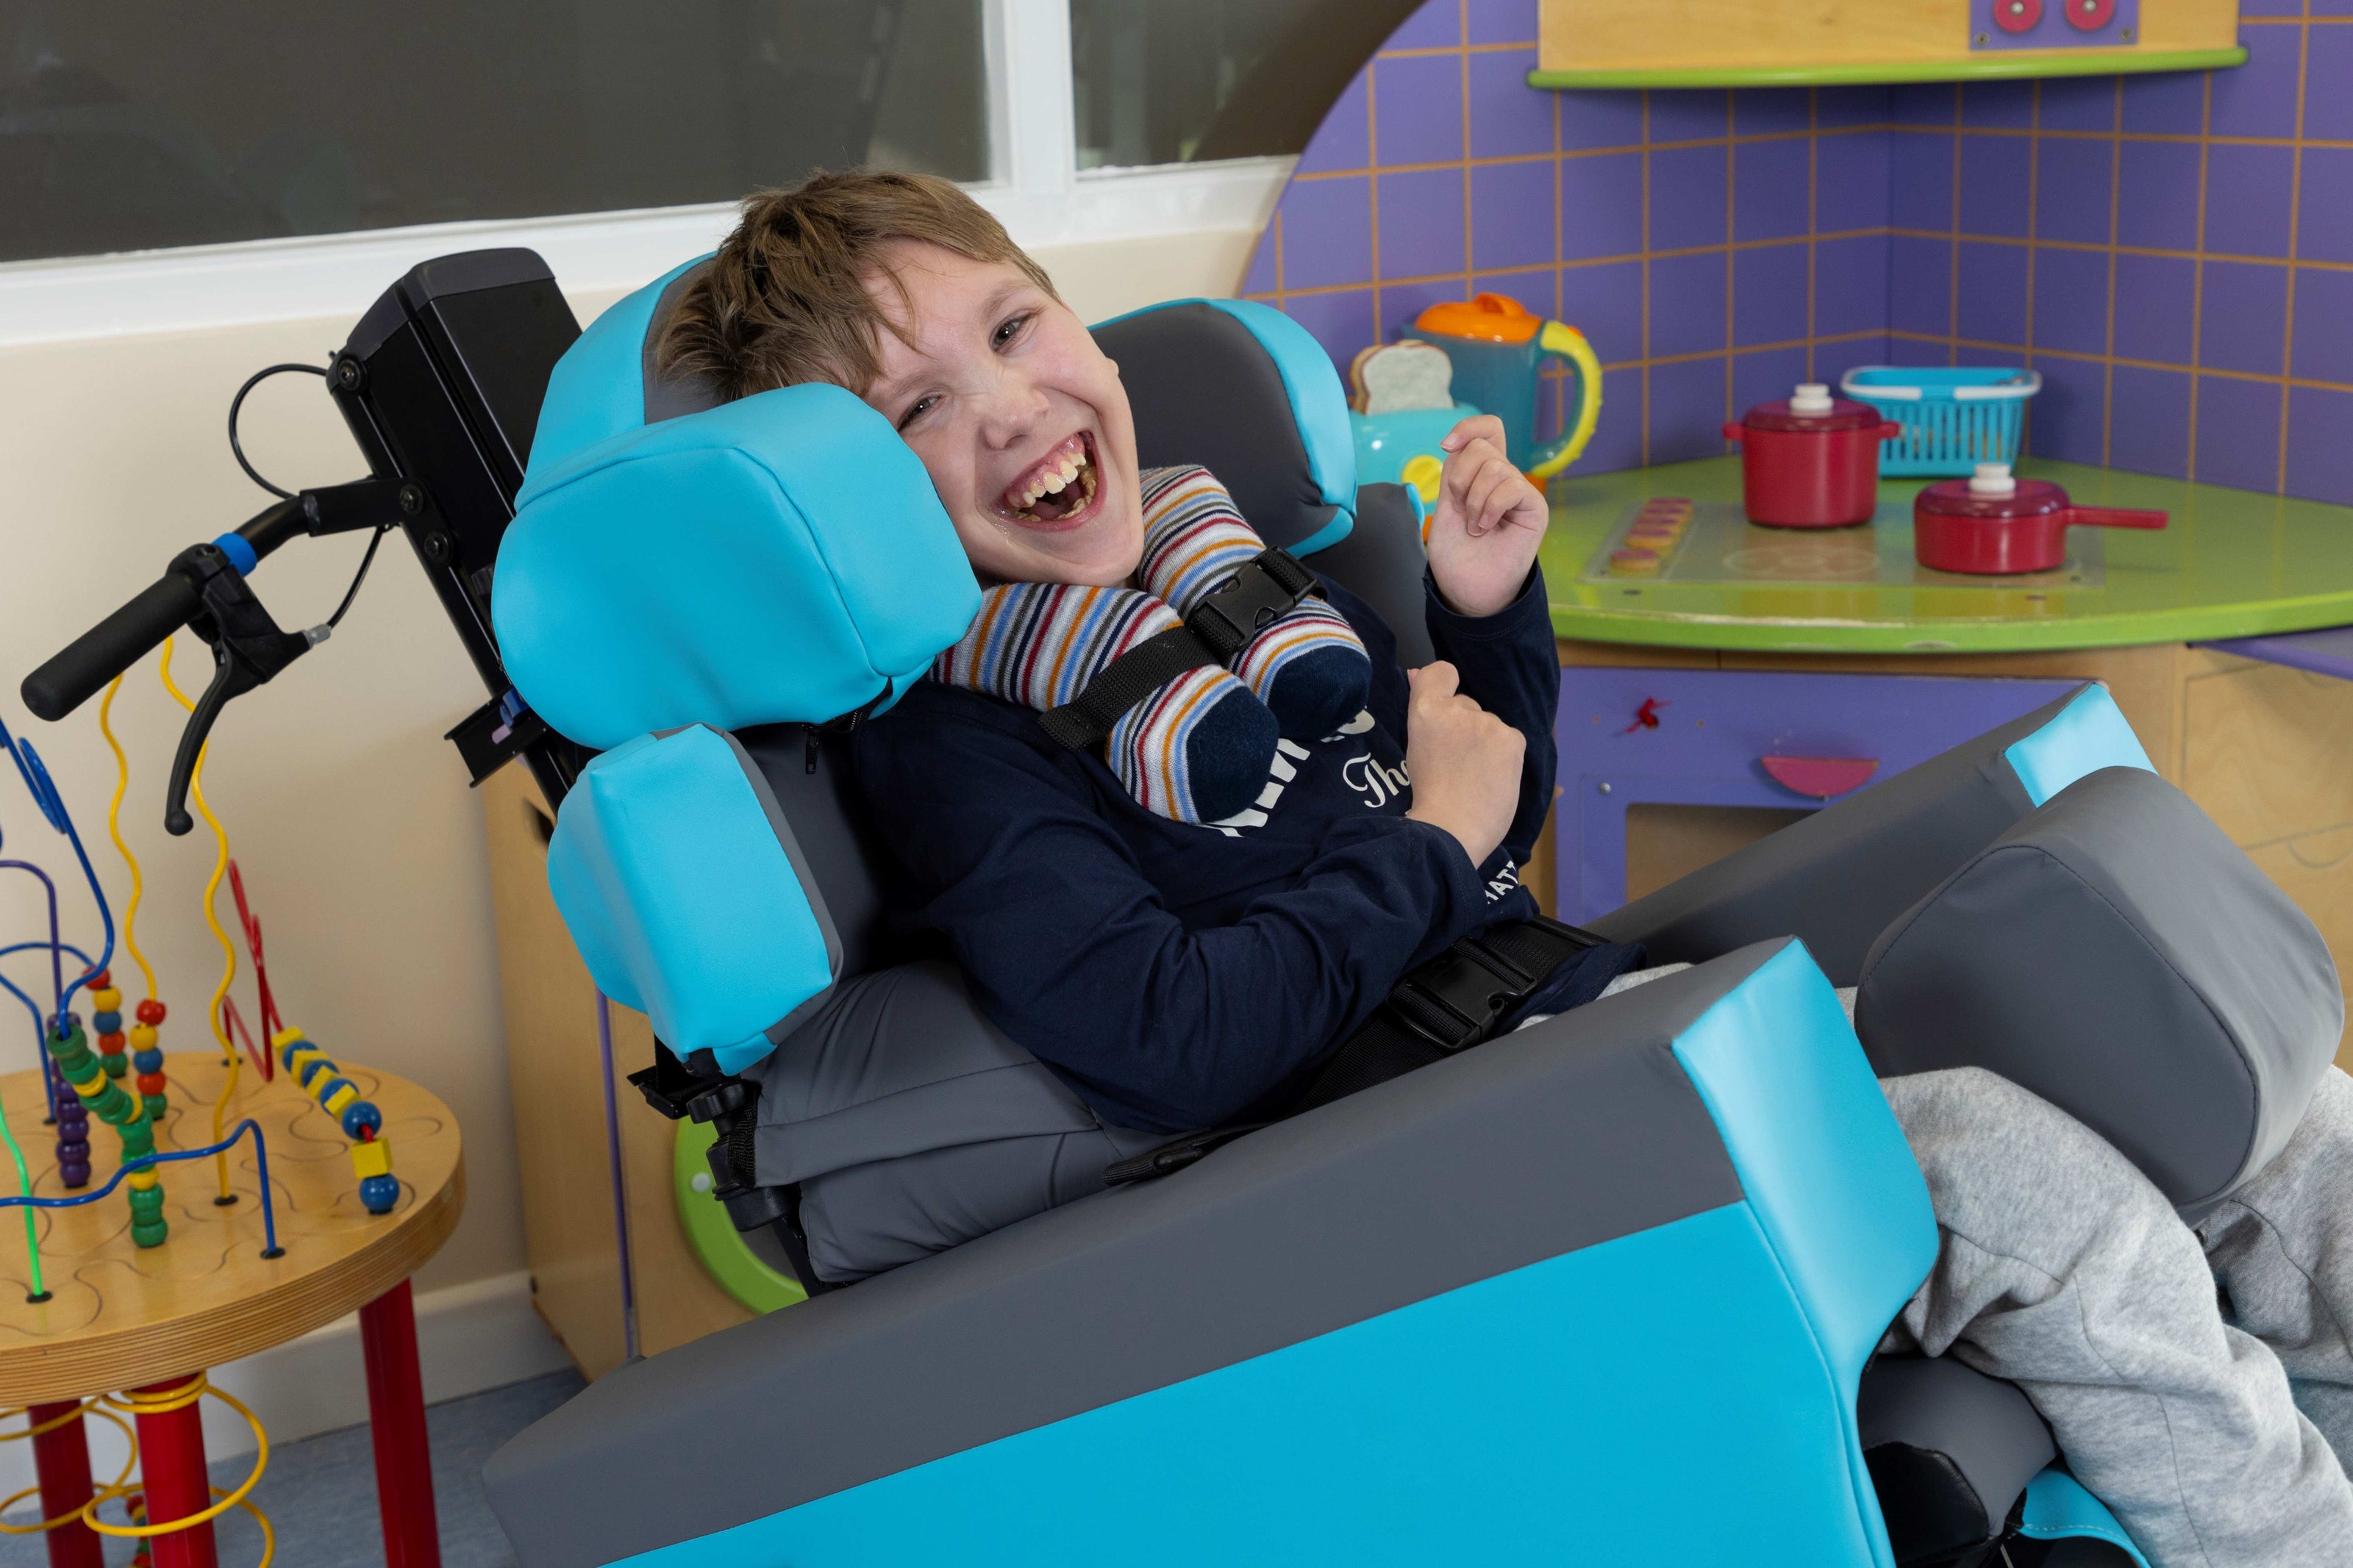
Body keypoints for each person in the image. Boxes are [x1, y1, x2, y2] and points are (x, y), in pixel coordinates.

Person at [658, 168, 2353, 1567]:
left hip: (1602, 1033)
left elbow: (1464, 777)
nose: (1014, 406)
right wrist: (1434, 841)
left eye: (1017, 329)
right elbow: (1171, 1029)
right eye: (918, 413)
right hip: (1465, 1157)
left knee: (2202, 1050)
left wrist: (1484, 616)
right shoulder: (956, 747)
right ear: (847, 517)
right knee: (2003, 1170)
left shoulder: (1207, 582)